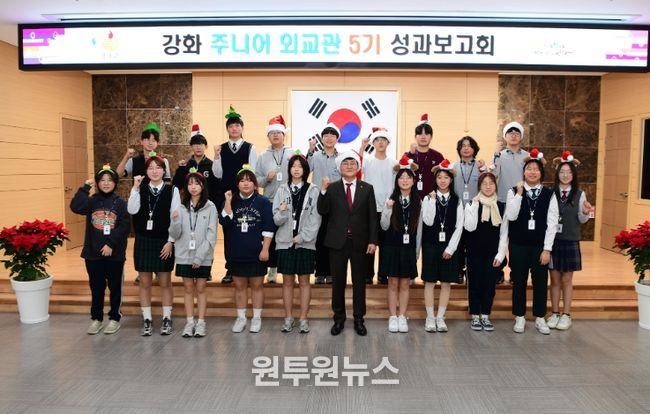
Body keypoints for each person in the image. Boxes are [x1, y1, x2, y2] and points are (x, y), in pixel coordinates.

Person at [317, 150, 378, 336]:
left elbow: (372, 217)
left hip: (360, 243)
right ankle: (339, 319)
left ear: (358, 167)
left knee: (360, 283)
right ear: (339, 167)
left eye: (353, 163)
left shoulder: (367, 188)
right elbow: (322, 210)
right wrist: (323, 190)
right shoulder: (332, 188)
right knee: (338, 283)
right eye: (345, 163)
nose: (349, 166)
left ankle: (359, 319)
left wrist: (373, 240)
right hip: (337, 243)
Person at [70, 164, 130, 335]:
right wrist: (84, 188)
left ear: (115, 183)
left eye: (109, 180)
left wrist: (110, 244)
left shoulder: (120, 203)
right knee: (96, 288)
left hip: (114, 254)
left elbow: (125, 226)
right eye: (102, 180)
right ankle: (96, 319)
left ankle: (114, 318)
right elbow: (75, 207)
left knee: (115, 288)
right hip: (93, 254)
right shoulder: (91, 201)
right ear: (97, 183)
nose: (106, 183)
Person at [505, 149, 559, 335]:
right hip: (518, 245)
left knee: (540, 282)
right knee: (519, 281)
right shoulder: (513, 191)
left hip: (539, 247)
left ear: (541, 173)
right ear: (524, 172)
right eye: (529, 169)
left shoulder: (549, 194)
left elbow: (552, 223)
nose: (532, 172)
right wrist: (520, 193)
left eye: (536, 169)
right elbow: (511, 215)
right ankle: (519, 316)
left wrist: (547, 249)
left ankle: (540, 317)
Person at [127, 154, 180, 336]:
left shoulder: (172, 190)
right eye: (151, 168)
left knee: (165, 282)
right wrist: (135, 188)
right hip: (143, 239)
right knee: (144, 282)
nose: (155, 171)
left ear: (164, 171)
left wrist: (170, 242)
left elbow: (176, 218)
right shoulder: (139, 188)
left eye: (158, 167)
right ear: (146, 172)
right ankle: (147, 319)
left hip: (163, 241)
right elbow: (132, 209)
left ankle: (166, 318)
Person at [219, 166, 274, 333]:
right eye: (242, 181)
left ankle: (256, 318)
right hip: (236, 252)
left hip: (257, 252)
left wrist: (265, 249)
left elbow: (268, 228)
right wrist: (228, 201)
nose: (245, 183)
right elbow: (225, 222)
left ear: (255, 184)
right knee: (239, 286)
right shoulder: (231, 200)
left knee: (257, 286)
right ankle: (241, 318)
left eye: (249, 180)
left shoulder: (263, 202)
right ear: (237, 184)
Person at [273, 153, 321, 334]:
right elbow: (276, 219)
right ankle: (288, 318)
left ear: (305, 170)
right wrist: (282, 212)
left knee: (304, 282)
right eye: (293, 166)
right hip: (284, 242)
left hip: (305, 243)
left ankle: (303, 318)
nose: (296, 169)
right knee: (287, 282)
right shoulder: (281, 189)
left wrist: (303, 236)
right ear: (289, 169)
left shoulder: (313, 190)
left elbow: (316, 218)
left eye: (300, 166)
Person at [547, 151, 594, 331]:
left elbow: (581, 219)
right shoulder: (550, 193)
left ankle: (566, 315)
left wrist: (586, 212)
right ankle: (554, 313)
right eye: (562, 172)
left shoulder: (580, 194)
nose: (565, 175)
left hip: (570, 241)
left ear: (573, 175)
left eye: (569, 172)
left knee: (567, 279)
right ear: (557, 174)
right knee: (554, 279)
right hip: (552, 241)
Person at [169, 169, 218, 338]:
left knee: (201, 288)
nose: (193, 187)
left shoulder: (211, 207)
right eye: (190, 184)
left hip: (203, 255)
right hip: (184, 255)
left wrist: (199, 256)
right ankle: (190, 322)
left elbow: (212, 235)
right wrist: (175, 220)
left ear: (203, 186)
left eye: (197, 183)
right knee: (188, 288)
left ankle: (201, 322)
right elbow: (175, 234)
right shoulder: (181, 206)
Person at [212, 106, 257, 284]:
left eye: (237, 125)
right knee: (229, 231)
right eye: (231, 126)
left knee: (246, 231)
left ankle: (247, 267)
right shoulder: (221, 148)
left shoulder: (250, 147)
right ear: (227, 129)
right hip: (227, 197)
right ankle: (230, 268)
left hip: (245, 196)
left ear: (242, 128)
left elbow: (252, 173)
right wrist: (216, 157)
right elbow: (217, 174)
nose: (234, 129)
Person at [463, 168, 508, 331]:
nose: (488, 187)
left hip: (493, 253)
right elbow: (469, 227)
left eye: (491, 184)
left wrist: (501, 254)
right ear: (479, 186)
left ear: (495, 186)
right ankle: (475, 315)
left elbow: (504, 233)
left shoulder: (501, 206)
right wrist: (474, 206)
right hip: (474, 251)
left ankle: (486, 315)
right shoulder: (471, 204)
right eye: (484, 184)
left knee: (489, 285)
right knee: (474, 284)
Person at [421, 160, 464, 332]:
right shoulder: (427, 198)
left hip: (449, 247)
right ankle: (430, 317)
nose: (443, 180)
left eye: (446, 177)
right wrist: (432, 201)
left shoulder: (457, 200)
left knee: (446, 283)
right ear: (435, 179)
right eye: (439, 177)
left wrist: (451, 248)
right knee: (429, 282)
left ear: (451, 180)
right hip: (431, 245)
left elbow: (459, 226)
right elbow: (428, 221)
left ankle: (440, 317)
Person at [380, 156, 421, 333]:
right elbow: (384, 225)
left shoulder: (418, 201)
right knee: (392, 283)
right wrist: (388, 209)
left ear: (413, 181)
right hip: (391, 246)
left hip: (409, 247)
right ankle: (392, 316)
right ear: (397, 181)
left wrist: (417, 251)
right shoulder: (390, 199)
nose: (404, 180)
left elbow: (420, 230)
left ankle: (402, 316)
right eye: (401, 178)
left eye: (408, 178)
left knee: (405, 284)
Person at [256, 115, 294, 284]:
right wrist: (266, 179)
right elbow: (256, 179)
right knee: (269, 235)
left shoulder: (292, 153)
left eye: (279, 132)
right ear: (268, 136)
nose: (276, 135)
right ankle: (272, 269)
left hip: (288, 201)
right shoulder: (263, 156)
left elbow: (301, 172)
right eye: (272, 133)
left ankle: (288, 269)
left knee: (287, 235)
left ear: (284, 135)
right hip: (269, 201)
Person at [359, 127, 398, 285]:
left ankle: (383, 274)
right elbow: (357, 166)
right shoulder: (368, 160)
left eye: (383, 140)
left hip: (388, 208)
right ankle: (367, 274)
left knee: (386, 243)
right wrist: (362, 147)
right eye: (377, 140)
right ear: (373, 143)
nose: (380, 143)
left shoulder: (393, 163)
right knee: (370, 241)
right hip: (370, 207)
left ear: (388, 143)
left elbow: (397, 184)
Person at [493, 121, 529, 284]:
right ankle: (498, 271)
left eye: (517, 133)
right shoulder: (500, 155)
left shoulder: (527, 156)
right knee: (499, 238)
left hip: (521, 201)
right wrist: (495, 154)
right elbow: (493, 174)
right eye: (510, 133)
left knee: (517, 239)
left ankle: (516, 271)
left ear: (521, 137)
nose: (513, 136)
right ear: (505, 136)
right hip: (502, 201)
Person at [307, 123, 341, 285]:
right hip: (318, 199)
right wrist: (310, 150)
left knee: (333, 237)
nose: (329, 138)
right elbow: (306, 169)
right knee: (319, 236)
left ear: (337, 139)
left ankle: (332, 272)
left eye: (332, 136)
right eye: (326, 136)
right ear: (321, 139)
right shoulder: (315, 156)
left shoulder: (341, 158)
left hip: (336, 202)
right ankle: (320, 272)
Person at [172, 124, 222, 209]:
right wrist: (181, 169)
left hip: (208, 206)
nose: (198, 147)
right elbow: (177, 185)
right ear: (191, 146)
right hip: (188, 206)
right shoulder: (186, 165)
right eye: (195, 144)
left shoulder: (212, 165)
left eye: (201, 144)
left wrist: (215, 207)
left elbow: (217, 189)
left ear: (206, 146)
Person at [405, 114, 444, 199]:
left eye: (426, 133)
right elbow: (402, 173)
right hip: (411, 198)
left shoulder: (438, 156)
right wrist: (411, 154)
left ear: (431, 137)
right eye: (420, 133)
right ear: (415, 137)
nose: (423, 136)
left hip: (432, 198)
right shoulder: (408, 155)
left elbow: (444, 178)